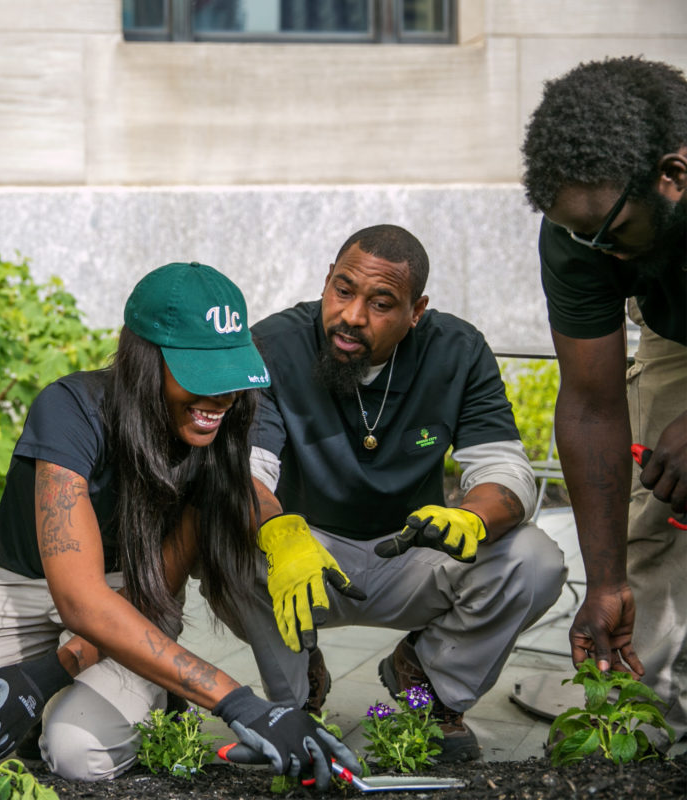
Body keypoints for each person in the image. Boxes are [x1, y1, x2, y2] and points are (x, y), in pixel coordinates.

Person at [0, 261, 360, 787]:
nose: (221, 398)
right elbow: (79, 601)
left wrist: (54, 669)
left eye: (229, 374)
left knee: (79, 754)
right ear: (143, 360)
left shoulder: (217, 435)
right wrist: (239, 702)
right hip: (12, 587)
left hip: (133, 594)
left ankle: (122, 696)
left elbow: (150, 590)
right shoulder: (71, 410)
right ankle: (62, 698)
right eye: (201, 375)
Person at [237, 224, 566, 763]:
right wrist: (277, 530)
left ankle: (428, 687)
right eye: (343, 290)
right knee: (223, 539)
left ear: (417, 310)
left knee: (535, 560)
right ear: (326, 282)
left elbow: (506, 471)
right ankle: (294, 701)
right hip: (306, 556)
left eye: (381, 302)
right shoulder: (274, 344)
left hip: (411, 552)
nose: (352, 315)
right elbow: (246, 471)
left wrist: (474, 519)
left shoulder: (457, 351)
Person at [520, 56, 687, 744]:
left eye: (607, 233)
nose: (593, 250)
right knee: (666, 498)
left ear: (672, 177)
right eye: (576, 233)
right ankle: (648, 711)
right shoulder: (579, 229)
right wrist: (605, 581)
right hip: (676, 325)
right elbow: (590, 403)